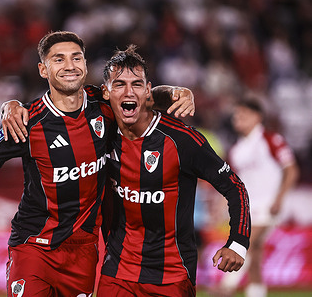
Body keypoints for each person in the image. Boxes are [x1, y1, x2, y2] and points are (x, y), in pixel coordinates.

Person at [0, 31, 194, 297]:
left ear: (86, 65)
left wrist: (177, 91)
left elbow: (148, 97)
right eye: (59, 59)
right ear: (43, 70)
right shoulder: (27, 123)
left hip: (83, 252)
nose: (70, 65)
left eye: (76, 58)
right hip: (34, 248)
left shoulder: (104, 104)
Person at [96, 45, 250, 296]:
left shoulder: (182, 140)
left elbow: (235, 188)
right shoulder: (100, 130)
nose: (128, 92)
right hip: (117, 274)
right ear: (105, 91)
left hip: (172, 276)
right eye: (119, 84)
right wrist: (13, 105)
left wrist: (238, 243)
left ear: (148, 90)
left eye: (137, 84)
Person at [219, 99, 299, 297]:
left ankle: (226, 286)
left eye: (242, 115)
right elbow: (233, 182)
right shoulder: (236, 149)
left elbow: (291, 170)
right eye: (236, 115)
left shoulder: (272, 140)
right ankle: (256, 293)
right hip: (247, 207)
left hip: (269, 205)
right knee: (254, 254)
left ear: (257, 117)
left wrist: (279, 199)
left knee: (245, 241)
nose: (237, 119)